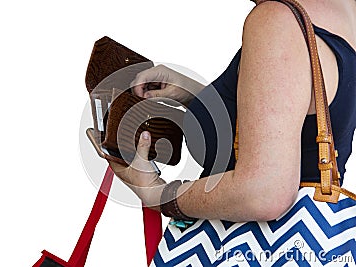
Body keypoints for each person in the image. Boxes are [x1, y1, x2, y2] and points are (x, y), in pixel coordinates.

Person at [108, 0, 356, 223]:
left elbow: (264, 193)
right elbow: (291, 116)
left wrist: (158, 194)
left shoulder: (275, 22)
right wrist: (188, 92)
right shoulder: (343, 12)